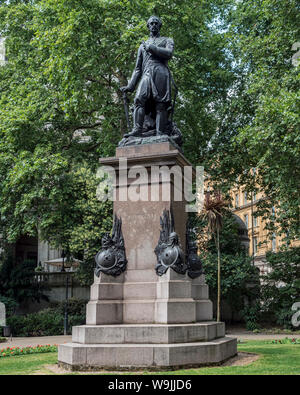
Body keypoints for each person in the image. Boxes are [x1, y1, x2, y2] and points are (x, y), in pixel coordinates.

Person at [121, 16, 174, 137]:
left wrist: (153, 49)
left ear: (159, 26)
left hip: (161, 72)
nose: (154, 25)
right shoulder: (142, 46)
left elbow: (169, 53)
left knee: (161, 104)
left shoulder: (167, 40)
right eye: (151, 23)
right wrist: (130, 86)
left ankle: (160, 133)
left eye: (156, 23)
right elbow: (137, 69)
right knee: (139, 99)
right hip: (146, 73)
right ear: (148, 26)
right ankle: (137, 130)